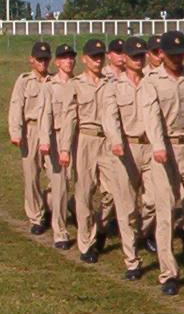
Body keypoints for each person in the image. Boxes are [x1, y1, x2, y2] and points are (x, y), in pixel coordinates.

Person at [59, 39, 142, 276]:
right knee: (85, 192)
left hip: (107, 141)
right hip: (84, 140)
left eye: (100, 57)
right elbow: (69, 118)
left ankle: (102, 227)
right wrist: (65, 148)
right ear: (84, 59)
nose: (97, 61)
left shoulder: (111, 83)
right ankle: (86, 243)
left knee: (114, 193)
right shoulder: (76, 85)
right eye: (93, 57)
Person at [104, 36, 181, 288]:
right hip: (126, 149)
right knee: (126, 208)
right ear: (124, 58)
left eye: (141, 55)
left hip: (153, 148)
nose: (138, 60)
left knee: (160, 204)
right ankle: (132, 261)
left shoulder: (154, 81)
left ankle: (168, 269)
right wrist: (116, 141)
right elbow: (110, 117)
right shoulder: (113, 86)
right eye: (133, 56)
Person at [143, 30, 184, 267]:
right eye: (173, 55)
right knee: (166, 210)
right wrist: (158, 146)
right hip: (166, 149)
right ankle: (168, 271)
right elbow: (151, 116)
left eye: (181, 54)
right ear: (161, 54)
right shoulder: (151, 81)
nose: (177, 59)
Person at [8, 41, 52, 235]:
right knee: (31, 176)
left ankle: (49, 205)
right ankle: (36, 216)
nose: (43, 63)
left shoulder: (54, 80)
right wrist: (15, 132)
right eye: (39, 59)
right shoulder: (24, 81)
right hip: (31, 130)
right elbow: (16, 106)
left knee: (59, 177)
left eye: (46, 59)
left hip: (51, 132)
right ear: (31, 60)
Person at [38, 43, 77, 249]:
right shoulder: (49, 86)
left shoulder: (78, 83)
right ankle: (60, 231)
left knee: (78, 182)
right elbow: (45, 115)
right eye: (65, 58)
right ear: (57, 62)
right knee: (60, 186)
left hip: (77, 139)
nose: (69, 61)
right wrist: (44, 140)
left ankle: (73, 208)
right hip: (57, 138)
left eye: (71, 58)